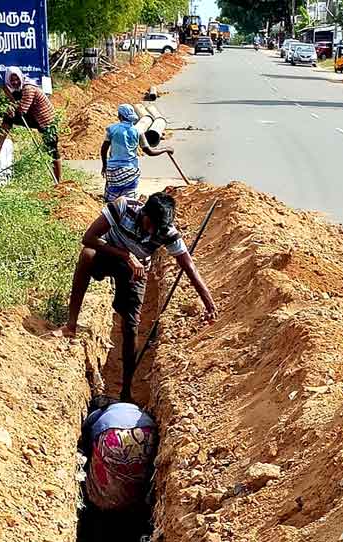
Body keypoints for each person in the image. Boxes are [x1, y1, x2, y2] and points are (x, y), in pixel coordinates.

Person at [53, 192, 217, 402]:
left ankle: (126, 391)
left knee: (131, 326)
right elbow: (89, 238)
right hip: (109, 256)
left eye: (158, 229)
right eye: (151, 225)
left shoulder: (166, 231)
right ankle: (71, 325)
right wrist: (126, 255)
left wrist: (209, 303)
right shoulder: (123, 208)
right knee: (87, 255)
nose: (152, 232)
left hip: (135, 272)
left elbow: (189, 266)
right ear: (144, 212)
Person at [81, 398, 157, 514]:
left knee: (104, 473)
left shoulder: (97, 413)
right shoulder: (137, 411)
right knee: (137, 470)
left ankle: (102, 507)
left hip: (112, 436)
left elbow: (86, 440)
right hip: (146, 432)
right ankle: (135, 506)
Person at [0, 66, 62, 183]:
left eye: (16, 79)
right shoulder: (21, 89)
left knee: (52, 151)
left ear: (21, 77)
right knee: (8, 116)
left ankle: (58, 182)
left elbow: (22, 110)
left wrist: (12, 109)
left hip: (46, 123)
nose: (14, 82)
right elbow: (16, 102)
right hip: (36, 119)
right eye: (11, 80)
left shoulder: (28, 88)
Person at [101, 104, 173, 202]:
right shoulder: (138, 131)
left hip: (112, 172)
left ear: (121, 116)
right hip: (130, 172)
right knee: (129, 201)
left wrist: (105, 166)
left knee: (110, 198)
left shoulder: (112, 129)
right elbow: (149, 151)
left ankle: (111, 200)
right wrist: (166, 149)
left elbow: (104, 149)